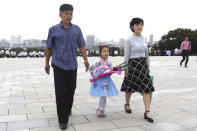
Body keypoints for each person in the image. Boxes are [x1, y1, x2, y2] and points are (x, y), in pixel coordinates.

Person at [45, 4, 89, 130]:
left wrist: (85, 60)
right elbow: (48, 47)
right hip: (58, 65)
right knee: (60, 92)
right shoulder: (53, 29)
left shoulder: (76, 29)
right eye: (66, 13)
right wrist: (47, 63)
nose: (68, 16)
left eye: (70, 13)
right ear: (60, 14)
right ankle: (62, 120)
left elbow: (82, 45)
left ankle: (68, 108)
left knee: (71, 90)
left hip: (72, 65)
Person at [121, 18, 155, 123]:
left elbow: (146, 54)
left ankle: (147, 112)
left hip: (143, 65)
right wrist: (125, 68)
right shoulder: (129, 40)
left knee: (146, 88)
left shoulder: (145, 38)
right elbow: (126, 56)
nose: (140, 26)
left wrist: (148, 65)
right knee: (129, 87)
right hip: (132, 65)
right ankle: (127, 103)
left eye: (141, 24)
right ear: (132, 27)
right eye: (137, 24)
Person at [89, 45, 118, 117]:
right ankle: (100, 109)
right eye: (104, 51)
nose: (106, 53)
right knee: (102, 94)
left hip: (106, 80)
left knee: (104, 95)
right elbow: (91, 69)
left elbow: (111, 72)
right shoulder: (97, 62)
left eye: (107, 51)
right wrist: (94, 76)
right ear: (100, 53)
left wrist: (110, 72)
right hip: (99, 80)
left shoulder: (110, 63)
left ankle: (101, 109)